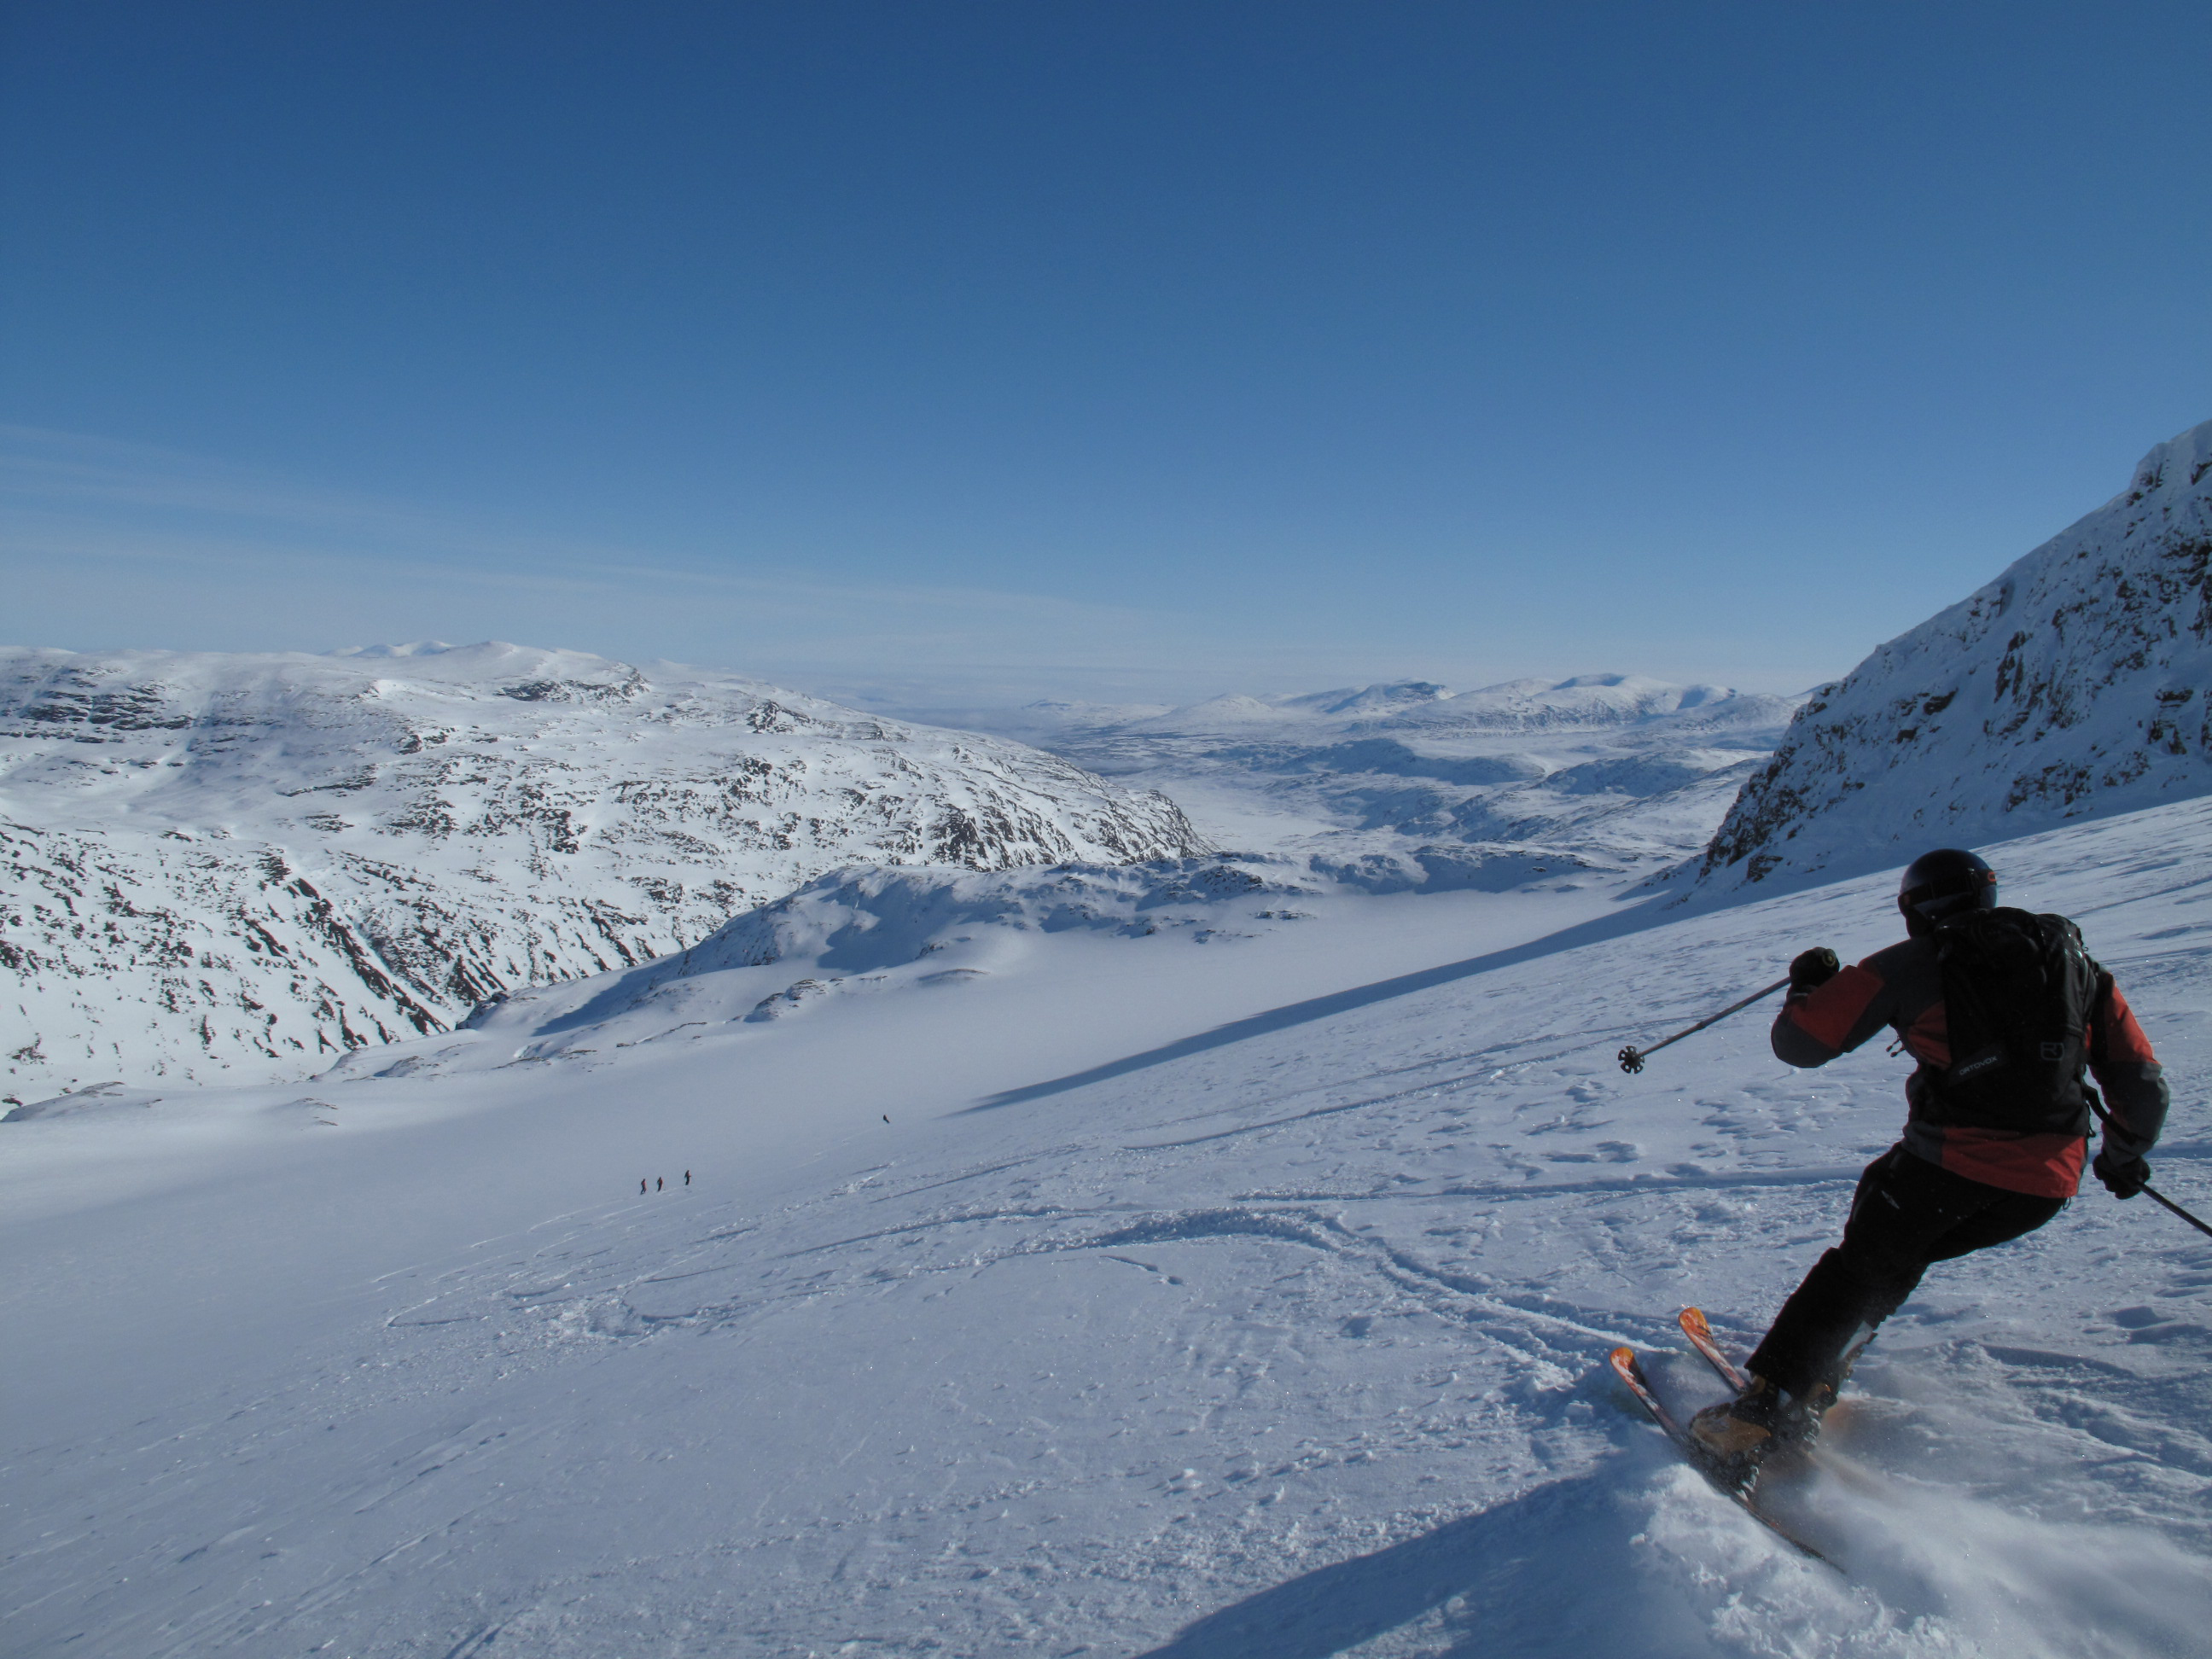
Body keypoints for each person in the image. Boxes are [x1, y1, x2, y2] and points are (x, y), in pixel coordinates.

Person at [1687, 847, 2169, 1473]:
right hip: (2045, 1187)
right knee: (1892, 1245)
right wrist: (2124, 1155)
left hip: (1952, 1165)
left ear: (1914, 909)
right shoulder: (2077, 967)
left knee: (1860, 1266)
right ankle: (1817, 1377)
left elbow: (1801, 1044)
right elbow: (2141, 1082)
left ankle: (1762, 1414)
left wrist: (1809, 985)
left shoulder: (1913, 965)